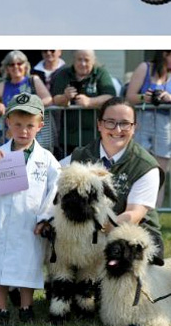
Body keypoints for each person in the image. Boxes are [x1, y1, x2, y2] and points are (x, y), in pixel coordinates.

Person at [0, 93, 61, 326]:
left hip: (29, 222)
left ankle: (26, 308)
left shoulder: (47, 160)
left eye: (30, 125)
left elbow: (55, 191)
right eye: (18, 124)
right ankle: (1, 309)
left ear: (40, 126)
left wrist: (45, 218)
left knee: (28, 264)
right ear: (8, 122)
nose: (23, 131)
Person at [65, 96, 165, 264]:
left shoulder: (146, 166)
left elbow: (134, 214)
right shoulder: (79, 157)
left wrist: (96, 228)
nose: (118, 130)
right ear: (99, 125)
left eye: (125, 123)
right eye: (110, 122)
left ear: (134, 127)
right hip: (87, 235)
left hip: (132, 237)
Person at [126, 50, 171, 207]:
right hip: (143, 121)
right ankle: (136, 210)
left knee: (160, 172)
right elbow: (130, 96)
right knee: (139, 167)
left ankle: (155, 213)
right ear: (164, 54)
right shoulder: (144, 68)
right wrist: (144, 97)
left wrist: (168, 97)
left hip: (167, 124)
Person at [0, 51, 52, 151]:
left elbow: (48, 99)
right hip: (8, 138)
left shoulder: (33, 80)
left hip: (33, 135)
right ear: (7, 68)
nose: (16, 67)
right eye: (11, 64)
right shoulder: (4, 85)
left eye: (19, 63)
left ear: (25, 66)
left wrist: (29, 107)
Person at [50, 50, 116, 157]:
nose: (83, 63)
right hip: (68, 138)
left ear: (93, 60)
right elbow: (55, 99)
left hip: (96, 137)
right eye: (79, 59)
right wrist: (65, 97)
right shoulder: (64, 73)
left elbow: (110, 97)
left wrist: (90, 102)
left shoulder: (101, 73)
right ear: (73, 60)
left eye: (86, 60)